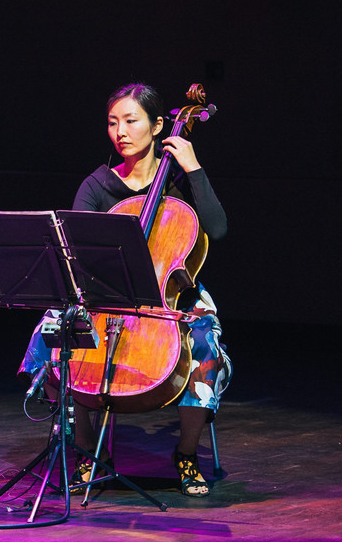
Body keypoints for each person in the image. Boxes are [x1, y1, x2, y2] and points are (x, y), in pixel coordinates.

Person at [17, 82, 232, 498]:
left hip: (171, 296)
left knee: (206, 350)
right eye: (113, 122)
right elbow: (75, 251)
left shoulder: (180, 180)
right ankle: (87, 453)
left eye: (131, 121)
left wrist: (193, 168)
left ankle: (186, 453)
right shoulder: (98, 185)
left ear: (157, 126)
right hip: (106, 294)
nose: (121, 131)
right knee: (53, 340)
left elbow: (218, 229)